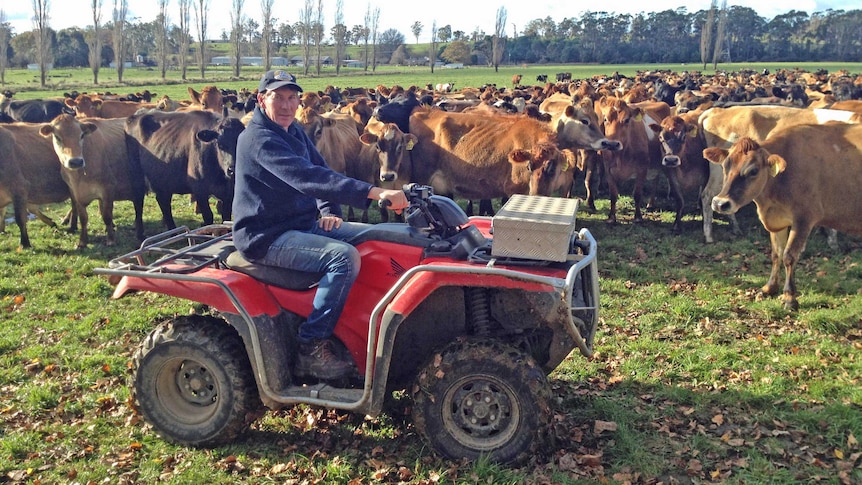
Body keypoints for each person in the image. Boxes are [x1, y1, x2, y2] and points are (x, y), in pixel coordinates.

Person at [232, 70, 409, 380]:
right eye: (278, 98)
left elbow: (319, 168)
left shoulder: (292, 131)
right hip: (266, 236)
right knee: (343, 257)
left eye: (292, 98)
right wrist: (376, 192)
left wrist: (328, 208)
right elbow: (308, 177)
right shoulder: (258, 139)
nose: (287, 105)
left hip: (301, 224)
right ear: (262, 100)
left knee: (384, 234)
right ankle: (311, 346)